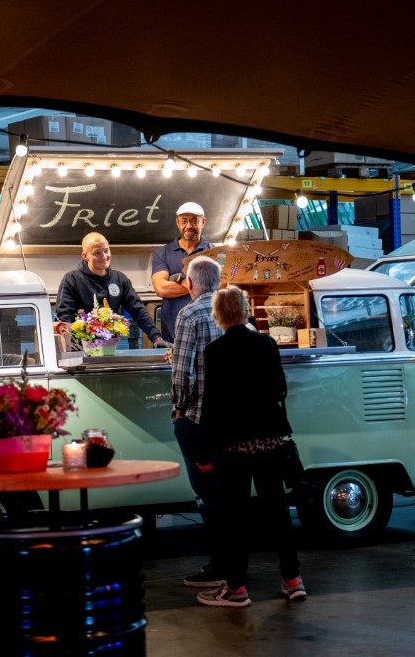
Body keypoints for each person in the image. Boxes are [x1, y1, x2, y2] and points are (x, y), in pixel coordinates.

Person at [194, 285, 306, 607]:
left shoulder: (215, 352)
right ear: (245, 311)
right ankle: (293, 580)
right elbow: (280, 389)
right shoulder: (267, 343)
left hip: (234, 449)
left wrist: (203, 451)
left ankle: (237, 589)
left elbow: (211, 404)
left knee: (236, 519)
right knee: (278, 514)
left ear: (218, 315)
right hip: (270, 443)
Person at [169, 255, 226, 588]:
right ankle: (232, 566)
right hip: (230, 423)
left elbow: (182, 374)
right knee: (226, 494)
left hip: (198, 420)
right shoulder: (235, 312)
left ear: (190, 283)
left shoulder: (189, 314)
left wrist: (179, 407)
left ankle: (220, 565)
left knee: (206, 495)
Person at [55, 232, 167, 347]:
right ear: (85, 256)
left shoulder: (119, 279)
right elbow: (64, 318)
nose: (104, 256)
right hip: (79, 350)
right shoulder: (71, 279)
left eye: (106, 251)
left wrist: (156, 338)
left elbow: (138, 311)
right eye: (97, 253)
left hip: (109, 348)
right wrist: (70, 348)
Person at [151, 201, 212, 344]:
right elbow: (161, 288)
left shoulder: (214, 252)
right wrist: (201, 284)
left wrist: (180, 280)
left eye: (194, 221)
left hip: (208, 331)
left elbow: (221, 286)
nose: (188, 226)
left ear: (203, 222)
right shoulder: (162, 253)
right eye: (184, 221)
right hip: (173, 333)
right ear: (177, 223)